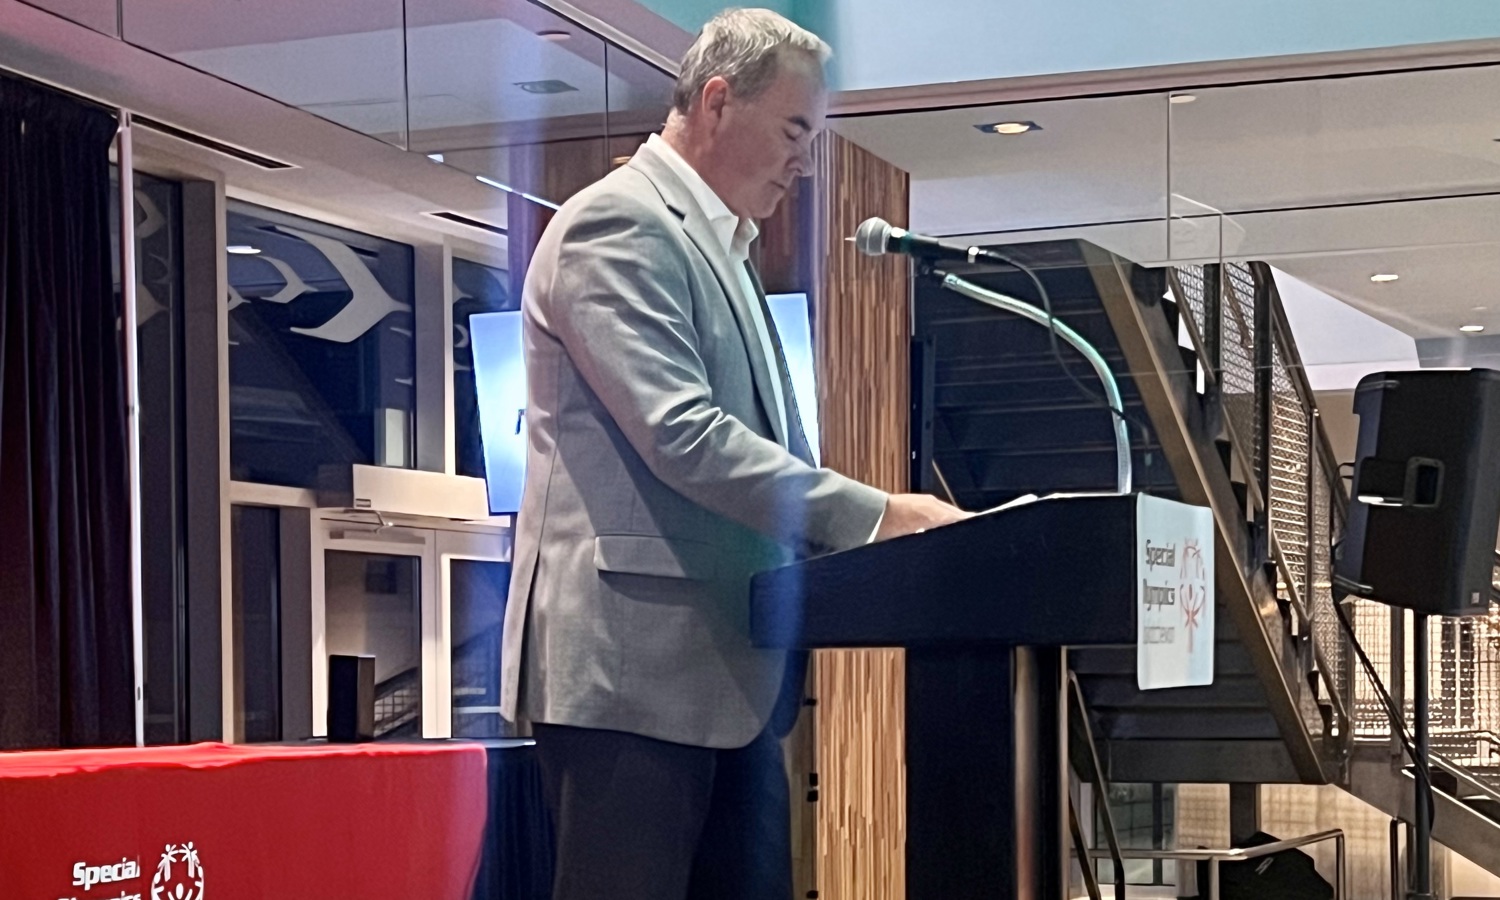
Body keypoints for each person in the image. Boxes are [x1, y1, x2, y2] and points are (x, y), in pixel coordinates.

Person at [500, 9, 968, 899]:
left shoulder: (728, 248)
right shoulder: (618, 225)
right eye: (795, 129)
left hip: (728, 678)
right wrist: (876, 515)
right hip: (631, 681)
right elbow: (682, 436)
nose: (805, 159)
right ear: (717, 102)